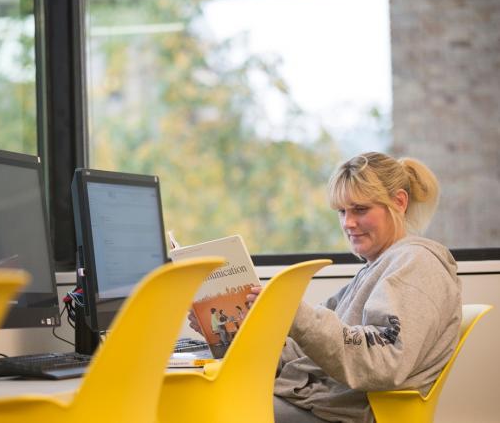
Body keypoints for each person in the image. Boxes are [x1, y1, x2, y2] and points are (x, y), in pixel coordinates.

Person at [189, 152, 462, 423]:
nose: (347, 223)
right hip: (321, 401)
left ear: (399, 202)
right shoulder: (374, 270)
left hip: (344, 413)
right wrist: (230, 331)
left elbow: (384, 361)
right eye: (342, 211)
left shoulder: (416, 264)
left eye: (360, 209)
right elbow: (304, 349)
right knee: (203, 400)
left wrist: (294, 315)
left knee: (204, 411)